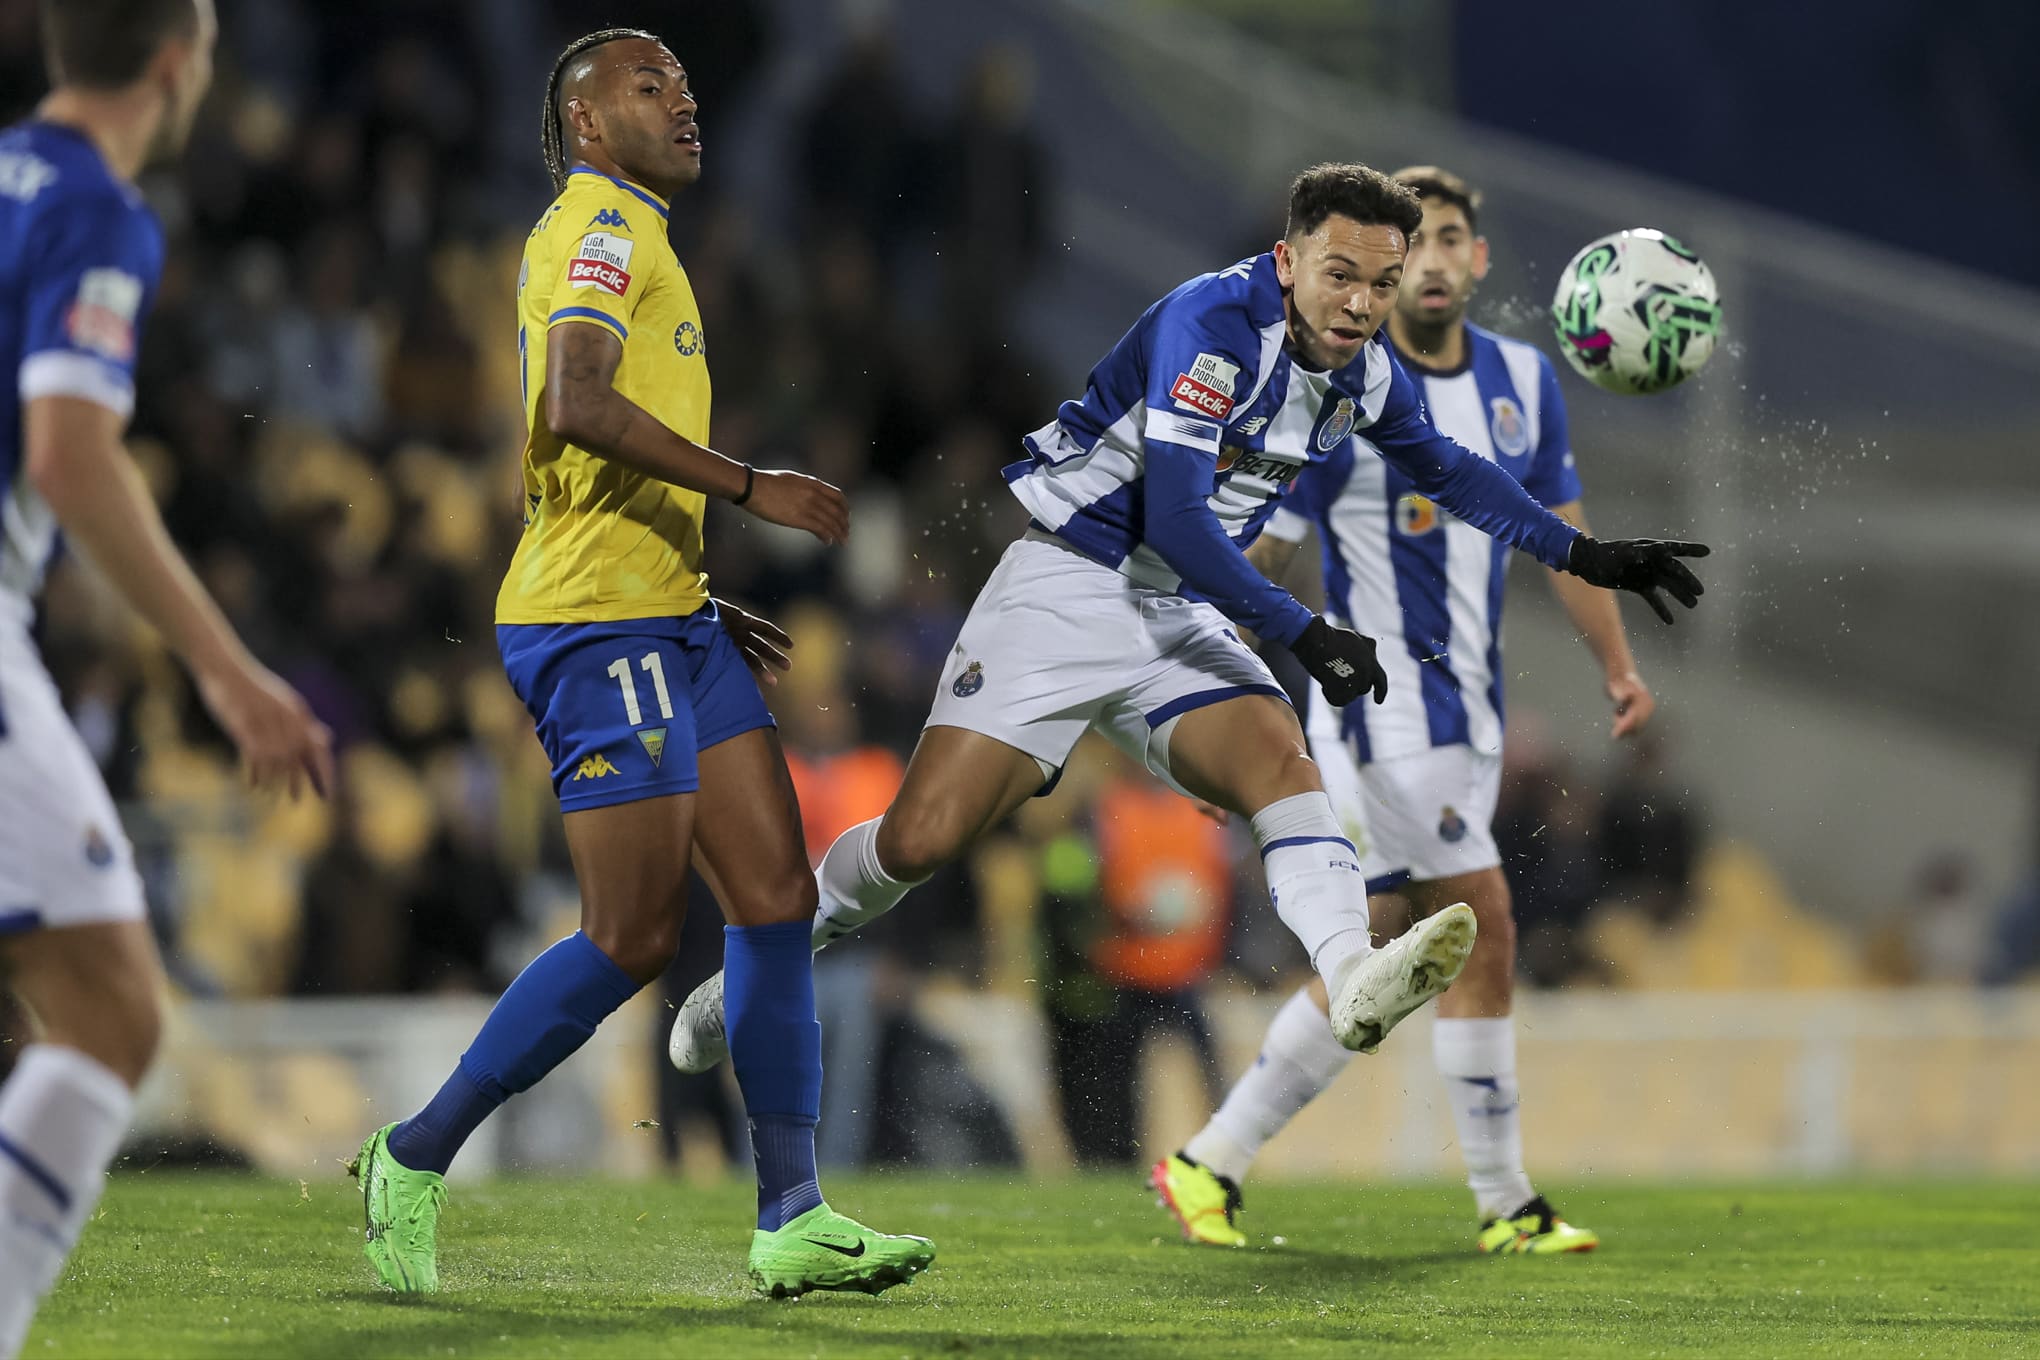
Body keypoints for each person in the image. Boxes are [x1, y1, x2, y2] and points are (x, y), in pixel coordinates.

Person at [668, 166, 1706, 1110]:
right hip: (1069, 588)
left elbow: (1445, 466)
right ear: (1289, 259)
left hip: (1177, 612)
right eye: (1341, 274)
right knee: (919, 840)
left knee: (1281, 768)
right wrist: (1303, 632)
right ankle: (760, 964)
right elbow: (1172, 518)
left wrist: (1586, 554)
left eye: (1382, 285)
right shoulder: (1210, 325)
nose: (1361, 303)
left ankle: (1352, 976)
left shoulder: (1362, 367)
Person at [345, 28, 934, 1301]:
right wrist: (749, 486)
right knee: (633, 935)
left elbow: (601, 463)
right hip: (591, 624)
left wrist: (698, 586)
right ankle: (411, 1152)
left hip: (667, 614)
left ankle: (793, 1214)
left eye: (687, 83)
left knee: (775, 902)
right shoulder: (602, 226)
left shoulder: (643, 232)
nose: (686, 101)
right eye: (649, 85)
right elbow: (574, 398)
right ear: (588, 121)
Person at [1157, 166, 1647, 1254]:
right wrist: (1213, 719)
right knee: (1487, 929)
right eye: (1408, 245)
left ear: (1474, 261)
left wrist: (1616, 663)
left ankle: (1208, 1160)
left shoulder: (1523, 381)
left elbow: (1553, 530)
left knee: (1379, 957)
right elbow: (1269, 552)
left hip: (1469, 716)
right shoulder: (1341, 382)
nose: (1428, 260)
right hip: (1383, 715)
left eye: (1450, 240)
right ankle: (1506, 1201)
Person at [0, 2, 335, 1353]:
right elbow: (72, 454)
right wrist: (229, 669)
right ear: (175, 64)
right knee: (113, 1012)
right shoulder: (98, 213)